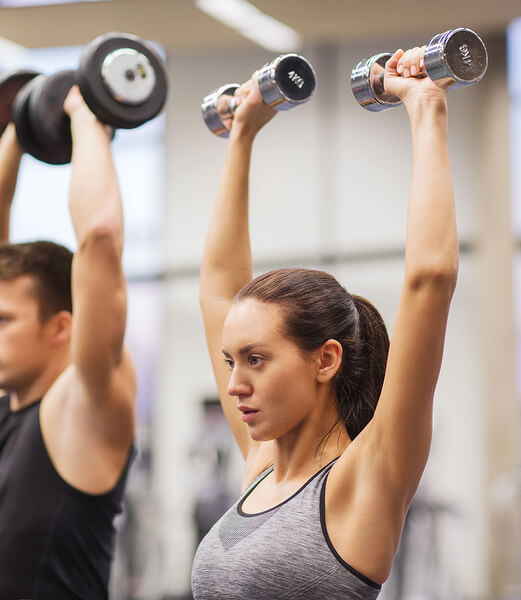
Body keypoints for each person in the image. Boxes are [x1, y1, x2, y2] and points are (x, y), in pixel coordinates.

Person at [191, 46, 459, 598]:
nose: (235, 384)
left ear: (326, 359)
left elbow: (429, 278)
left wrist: (425, 104)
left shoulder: (365, 479)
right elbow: (219, 290)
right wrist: (242, 134)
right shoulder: (261, 466)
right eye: (231, 361)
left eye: (257, 360)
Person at [0, 86, 136, 599]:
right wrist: (21, 129)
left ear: (61, 326)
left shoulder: (85, 406)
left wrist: (85, 116)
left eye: (1, 321)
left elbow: (99, 236)